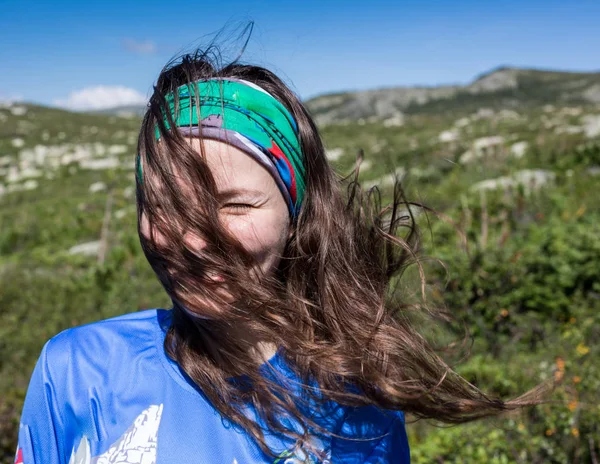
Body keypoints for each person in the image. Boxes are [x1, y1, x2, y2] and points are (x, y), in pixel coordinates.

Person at [15, 46, 547, 464]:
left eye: (236, 205)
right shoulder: (77, 371)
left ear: (296, 216)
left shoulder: (360, 406)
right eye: (165, 205)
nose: (194, 239)